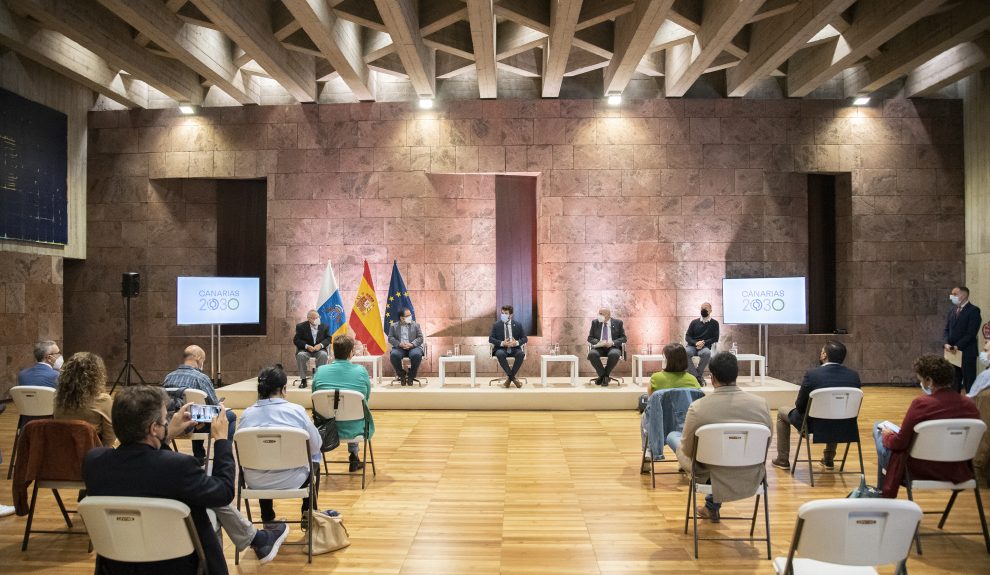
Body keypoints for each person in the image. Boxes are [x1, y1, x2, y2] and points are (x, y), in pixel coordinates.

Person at [84, 386, 288, 573]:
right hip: (178, 564)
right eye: (165, 421)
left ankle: (256, 539)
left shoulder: (93, 463)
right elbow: (224, 492)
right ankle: (255, 541)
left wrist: (166, 435)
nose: (167, 423)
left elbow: (142, 466)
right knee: (211, 511)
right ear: (153, 428)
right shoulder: (179, 467)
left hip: (117, 564)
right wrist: (222, 441)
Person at [666, 352, 772, 522]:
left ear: (712, 377)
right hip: (751, 474)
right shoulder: (761, 405)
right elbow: (766, 444)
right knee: (726, 453)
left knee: (673, 436)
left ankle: (711, 506)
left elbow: (687, 449)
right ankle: (711, 507)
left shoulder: (698, 408)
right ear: (736, 375)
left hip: (709, 476)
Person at [875, 355, 980, 498]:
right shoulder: (970, 406)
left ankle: (881, 498)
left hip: (920, 468)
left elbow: (900, 443)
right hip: (957, 468)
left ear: (929, 380)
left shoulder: (922, 404)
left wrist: (887, 436)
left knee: (879, 431)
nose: (921, 383)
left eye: (921, 379)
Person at [238, 364, 322, 526]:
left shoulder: (247, 414)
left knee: (264, 459)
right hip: (294, 479)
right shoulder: (297, 411)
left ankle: (267, 517)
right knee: (316, 461)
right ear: (284, 389)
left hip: (255, 482)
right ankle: (307, 514)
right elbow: (315, 445)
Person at [771, 341, 861, 471]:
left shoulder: (813, 375)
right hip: (845, 426)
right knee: (836, 411)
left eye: (822, 351)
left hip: (814, 425)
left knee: (781, 412)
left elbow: (800, 406)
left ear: (824, 355)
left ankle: (783, 459)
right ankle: (829, 459)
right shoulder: (854, 376)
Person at [162, 345, 236, 464]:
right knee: (230, 416)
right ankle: (222, 457)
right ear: (198, 358)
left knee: (196, 413)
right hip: (197, 424)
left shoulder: (168, 377)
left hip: (174, 425)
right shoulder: (202, 378)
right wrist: (220, 405)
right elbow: (214, 406)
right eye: (203, 360)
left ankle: (199, 455)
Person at [312, 335, 376, 471]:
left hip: (326, 429)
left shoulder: (320, 371)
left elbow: (314, 399)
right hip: (355, 429)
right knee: (353, 412)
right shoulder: (361, 371)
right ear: (351, 352)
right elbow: (366, 398)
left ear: (334, 352)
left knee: (339, 412)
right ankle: (354, 454)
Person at [53, 352, 116, 447]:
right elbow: (110, 436)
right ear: (97, 374)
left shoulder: (56, 397)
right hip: (92, 452)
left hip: (63, 449)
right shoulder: (103, 400)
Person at [944, 286, 982, 393]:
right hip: (952, 353)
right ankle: (955, 406)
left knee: (969, 383)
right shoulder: (952, 310)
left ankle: (970, 407)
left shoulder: (974, 310)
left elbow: (971, 333)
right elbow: (946, 329)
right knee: (953, 383)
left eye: (955, 294)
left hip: (967, 353)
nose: (952, 296)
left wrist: (957, 346)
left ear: (964, 295)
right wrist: (946, 343)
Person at [488, 304, 528, 388]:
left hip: (514, 349)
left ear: (511, 315)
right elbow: (491, 339)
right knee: (500, 354)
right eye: (502, 313)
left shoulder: (518, 325)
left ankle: (509, 379)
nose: (503, 315)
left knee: (521, 354)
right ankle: (513, 378)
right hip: (501, 349)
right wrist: (502, 343)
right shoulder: (496, 325)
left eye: (506, 313)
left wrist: (516, 342)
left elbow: (525, 339)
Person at [587, 308, 627, 387]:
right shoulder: (595, 322)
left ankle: (603, 376)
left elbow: (624, 338)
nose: (599, 315)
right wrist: (599, 342)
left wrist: (612, 343)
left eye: (601, 314)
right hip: (599, 347)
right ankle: (604, 376)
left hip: (613, 347)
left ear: (608, 315)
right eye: (599, 313)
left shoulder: (618, 323)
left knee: (614, 354)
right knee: (592, 354)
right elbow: (590, 338)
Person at [294, 309, 331, 388]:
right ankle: (303, 379)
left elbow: (328, 339)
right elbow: (296, 340)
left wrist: (320, 345)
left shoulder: (325, 326)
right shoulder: (300, 326)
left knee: (323, 355)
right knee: (300, 355)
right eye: (313, 318)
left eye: (317, 317)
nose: (316, 319)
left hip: (319, 350)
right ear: (308, 318)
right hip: (306, 350)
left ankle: (318, 379)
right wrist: (306, 346)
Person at [388, 307, 424, 386]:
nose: (410, 317)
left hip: (413, 347)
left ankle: (411, 375)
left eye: (410, 315)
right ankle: (402, 375)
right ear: (402, 318)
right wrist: (399, 344)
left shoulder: (416, 325)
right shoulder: (393, 326)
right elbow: (390, 338)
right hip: (400, 347)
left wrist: (412, 344)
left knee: (416, 355)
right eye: (408, 316)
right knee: (394, 355)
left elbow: (420, 338)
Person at [685, 302, 719, 385]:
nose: (703, 309)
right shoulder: (694, 322)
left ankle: (696, 376)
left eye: (706, 308)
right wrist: (696, 343)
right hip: (692, 346)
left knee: (707, 353)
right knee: (685, 352)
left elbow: (715, 338)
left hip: (705, 347)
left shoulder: (715, 323)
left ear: (711, 310)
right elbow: (687, 337)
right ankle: (698, 377)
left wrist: (704, 342)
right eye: (702, 308)